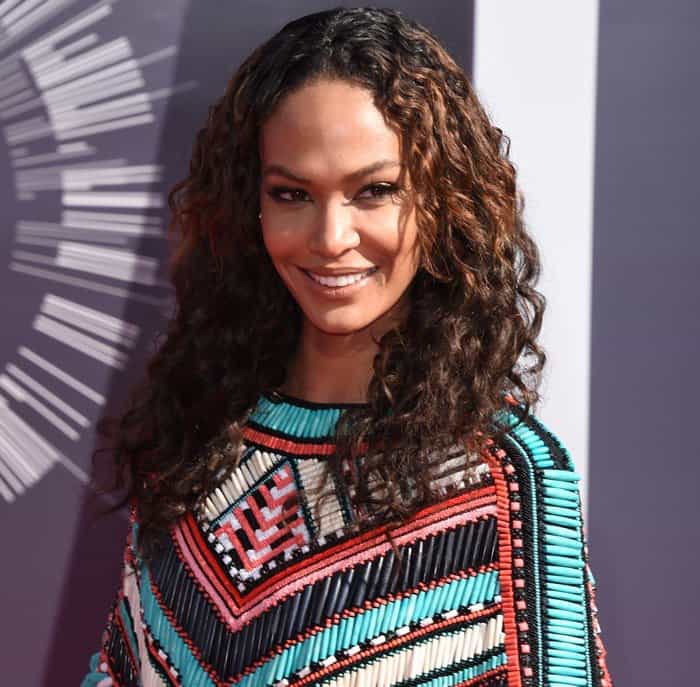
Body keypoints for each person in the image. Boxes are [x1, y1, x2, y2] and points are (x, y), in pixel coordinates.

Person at [81, 7, 614, 687]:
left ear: (441, 200)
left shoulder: (505, 483)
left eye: (375, 191)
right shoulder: (193, 441)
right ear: (252, 205)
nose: (331, 237)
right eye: (292, 193)